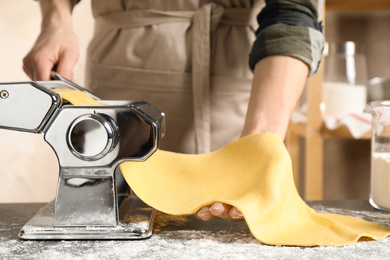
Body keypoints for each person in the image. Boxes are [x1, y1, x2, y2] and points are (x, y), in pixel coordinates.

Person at [23, 0, 324, 221]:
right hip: (120, 82)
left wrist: (259, 143)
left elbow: (293, 12)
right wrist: (56, 21)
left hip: (243, 93)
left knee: (235, 216)